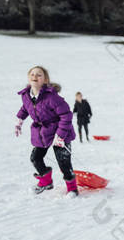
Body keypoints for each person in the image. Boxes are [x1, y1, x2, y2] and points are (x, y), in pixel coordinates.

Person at [15, 66, 78, 196]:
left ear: (45, 80)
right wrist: (19, 120)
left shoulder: (52, 97)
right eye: (32, 74)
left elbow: (66, 115)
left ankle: (72, 189)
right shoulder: (26, 96)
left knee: (64, 162)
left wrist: (60, 136)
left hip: (61, 132)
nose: (35, 76)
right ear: (28, 77)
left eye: (39, 75)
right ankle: (46, 182)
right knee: (35, 158)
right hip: (42, 132)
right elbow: (26, 108)